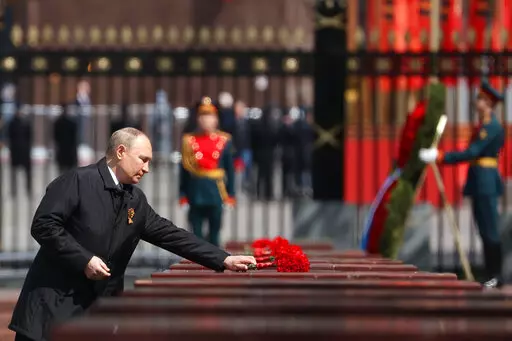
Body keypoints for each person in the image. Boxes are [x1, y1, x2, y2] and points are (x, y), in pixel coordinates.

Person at [9, 127, 256, 341]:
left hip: (96, 315)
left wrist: (223, 259)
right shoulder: (77, 181)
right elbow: (44, 224)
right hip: (50, 311)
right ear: (120, 152)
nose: (147, 168)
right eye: (143, 159)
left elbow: (171, 234)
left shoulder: (135, 199)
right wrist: (83, 259)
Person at [419, 81, 505, 289]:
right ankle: (490, 273)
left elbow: (472, 152)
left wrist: (440, 156)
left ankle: (496, 274)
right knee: (483, 230)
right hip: (479, 180)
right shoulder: (483, 126)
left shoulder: (491, 127)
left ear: (489, 103)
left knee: (490, 230)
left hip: (485, 182)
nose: (477, 103)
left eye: (481, 100)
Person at [179, 96, 235, 247]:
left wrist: (231, 194)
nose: (206, 120)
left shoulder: (224, 140)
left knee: (215, 234)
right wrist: (182, 194)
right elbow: (184, 170)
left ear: (216, 119)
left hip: (216, 191)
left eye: (210, 116)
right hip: (195, 192)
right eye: (202, 116)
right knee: (196, 236)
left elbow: (230, 169)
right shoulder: (189, 140)